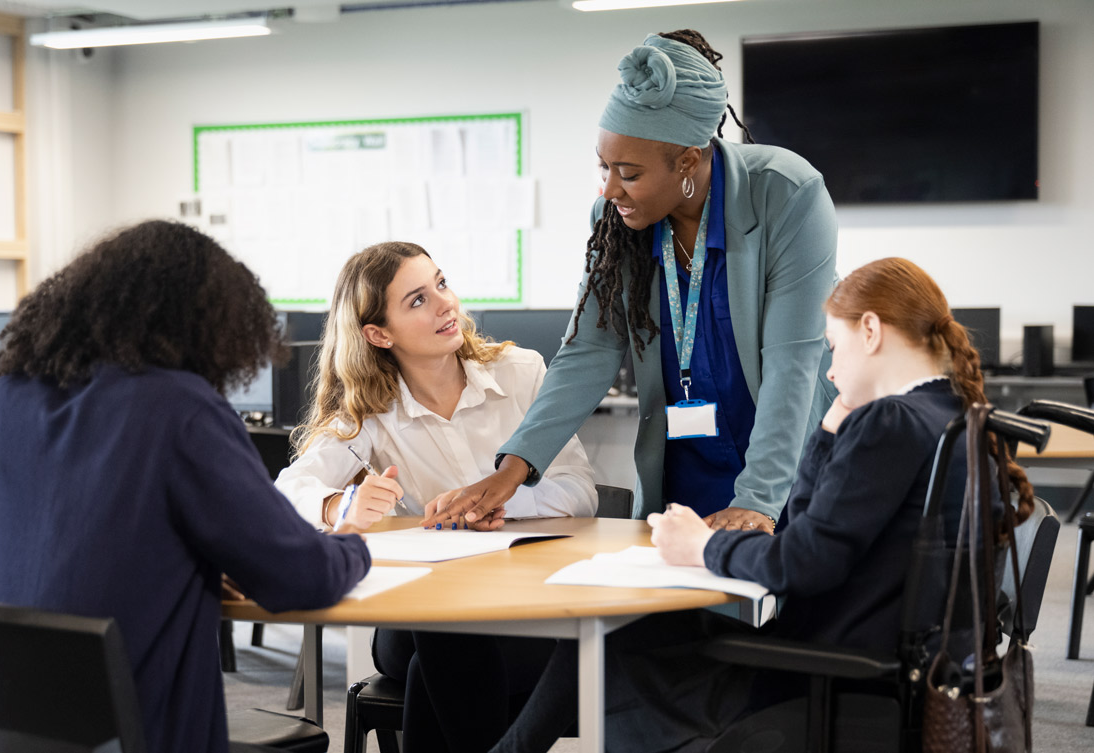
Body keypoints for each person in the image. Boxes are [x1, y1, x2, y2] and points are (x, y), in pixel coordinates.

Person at [488, 257, 1036, 753]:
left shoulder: (890, 422)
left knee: (611, 642)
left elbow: (800, 560)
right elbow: (811, 531)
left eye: (834, 347)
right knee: (635, 632)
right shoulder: (953, 416)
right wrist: (826, 429)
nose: (829, 370)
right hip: (890, 664)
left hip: (824, 673)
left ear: (870, 331)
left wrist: (702, 546)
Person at [0, 220, 371, 753]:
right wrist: (355, 542)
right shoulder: (177, 406)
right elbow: (301, 577)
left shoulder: (6, 398)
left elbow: (86, 537)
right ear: (207, 323)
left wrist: (200, 565)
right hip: (141, 730)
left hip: (7, 726)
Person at [425, 29, 837, 535]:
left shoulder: (786, 192)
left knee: (788, 605)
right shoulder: (616, 219)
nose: (610, 188)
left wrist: (758, 500)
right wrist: (513, 469)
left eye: (629, 172)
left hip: (785, 466)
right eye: (603, 166)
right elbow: (588, 350)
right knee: (682, 607)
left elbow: (792, 361)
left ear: (688, 159)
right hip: (685, 463)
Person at [274, 241, 596, 753]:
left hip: (520, 608)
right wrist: (342, 507)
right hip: (416, 616)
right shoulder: (369, 409)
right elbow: (289, 489)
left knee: (440, 661)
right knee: (445, 632)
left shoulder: (521, 374)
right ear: (378, 334)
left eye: (441, 283)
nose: (446, 303)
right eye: (418, 300)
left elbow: (581, 492)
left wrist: (503, 500)